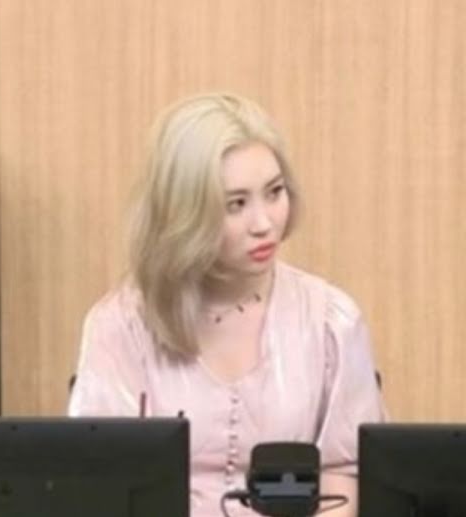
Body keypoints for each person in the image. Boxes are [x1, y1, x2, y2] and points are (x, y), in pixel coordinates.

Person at [67, 93, 385, 517]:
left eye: (274, 192)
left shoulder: (332, 321)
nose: (264, 223)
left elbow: (344, 470)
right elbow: (102, 483)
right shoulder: (119, 326)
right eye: (236, 204)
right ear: (184, 213)